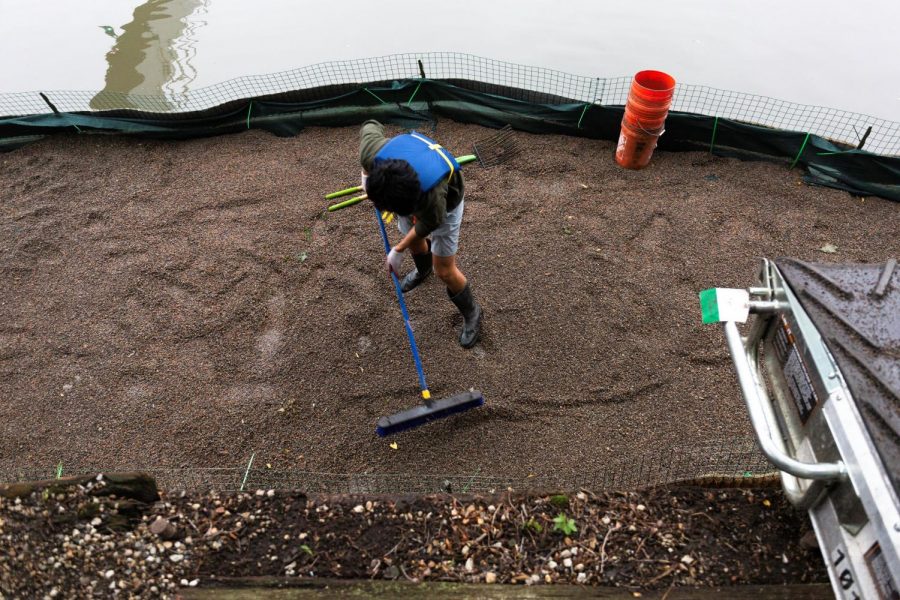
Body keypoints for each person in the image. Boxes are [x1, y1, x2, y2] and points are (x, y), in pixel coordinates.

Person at [359, 119, 482, 348]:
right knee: (414, 240)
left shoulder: (433, 199)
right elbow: (371, 124)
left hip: (448, 202)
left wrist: (398, 248)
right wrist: (366, 178)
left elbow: (428, 224)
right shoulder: (371, 153)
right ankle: (422, 269)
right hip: (407, 194)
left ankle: (473, 312)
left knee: (444, 270)